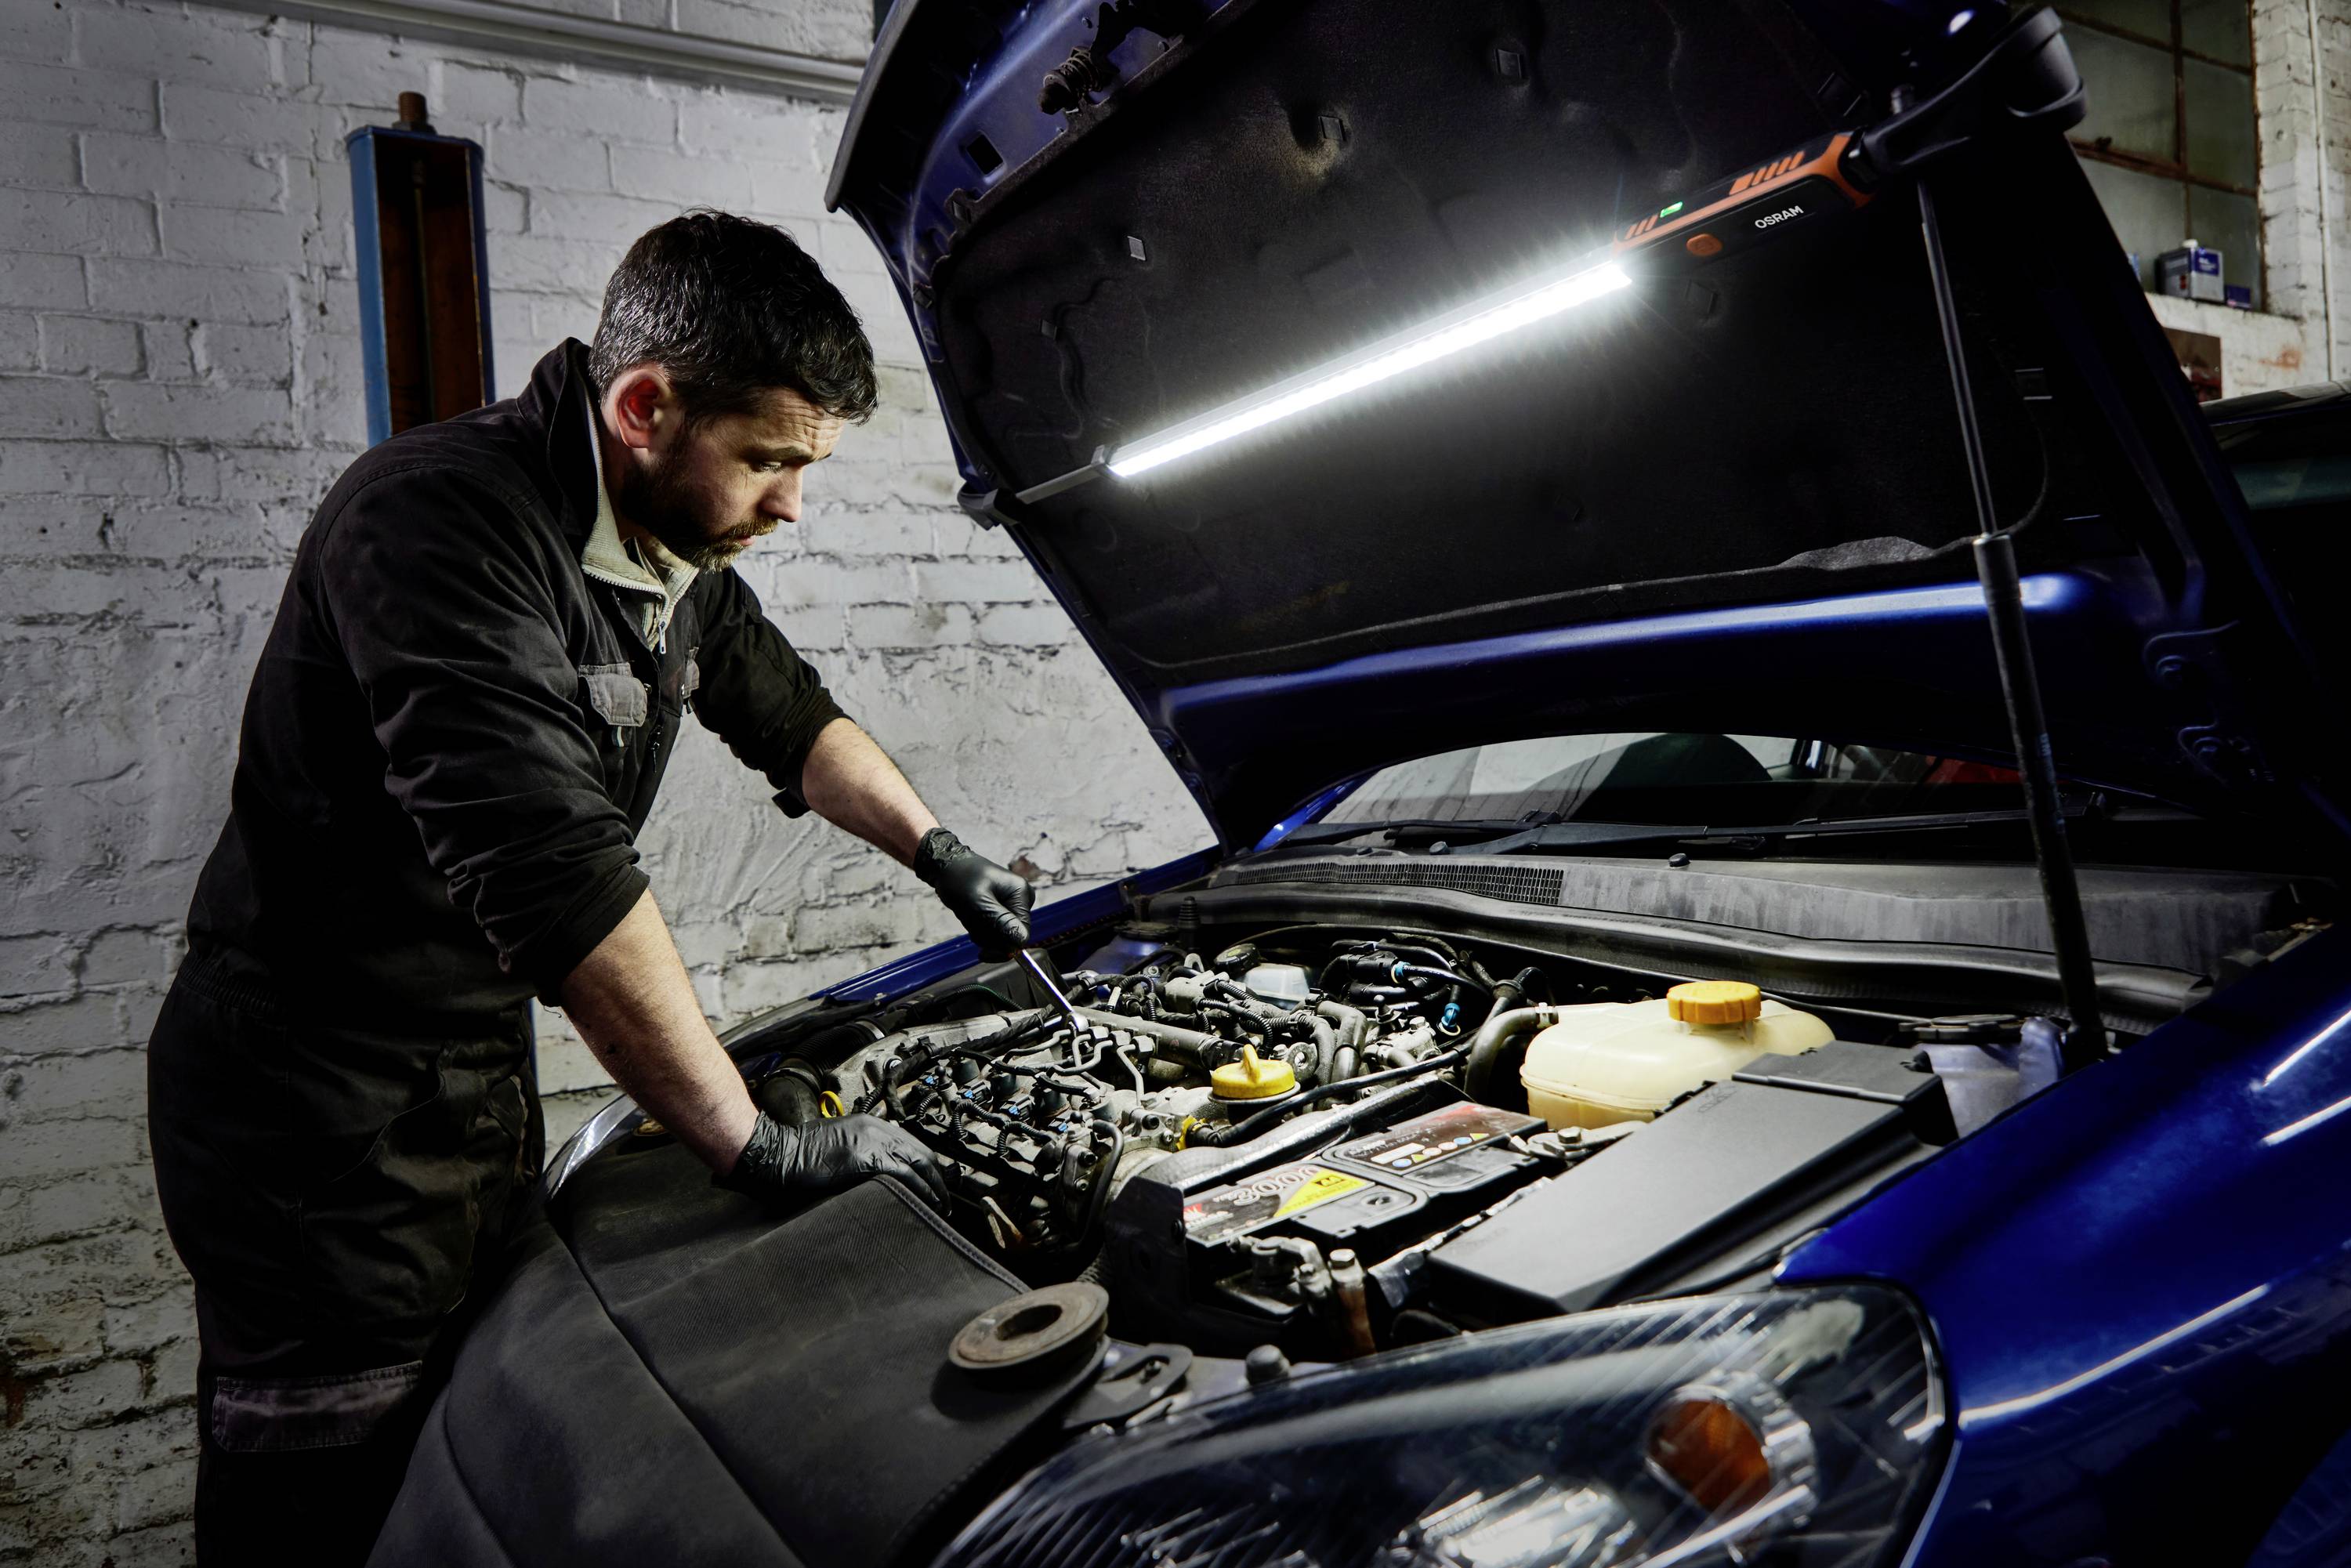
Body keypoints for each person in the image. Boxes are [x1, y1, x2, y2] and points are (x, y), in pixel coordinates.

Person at [145, 212, 1034, 1563]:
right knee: (330, 1487)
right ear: (644, 406)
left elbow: (788, 713)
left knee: (458, 1448)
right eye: (772, 461)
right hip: (314, 1121)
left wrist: (937, 848)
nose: (791, 502)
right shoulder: (441, 527)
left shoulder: (667, 542)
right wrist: (748, 1141)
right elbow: (559, 876)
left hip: (457, 1079)